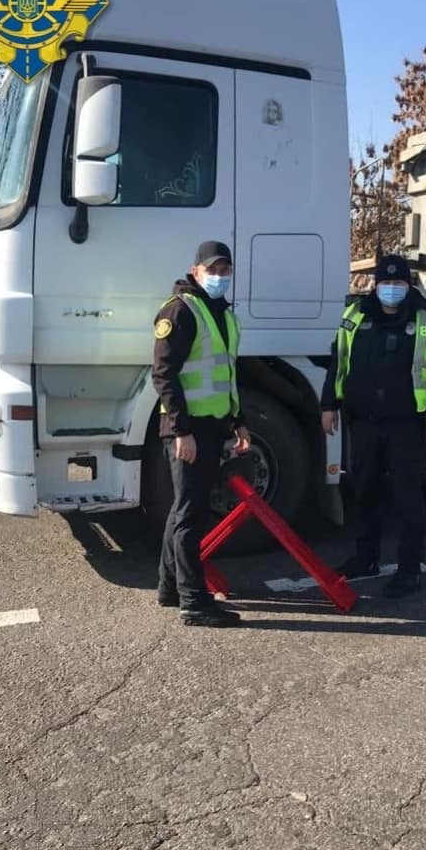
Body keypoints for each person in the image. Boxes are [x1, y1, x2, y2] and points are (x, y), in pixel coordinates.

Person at [321, 254, 426, 597]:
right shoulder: (356, 314)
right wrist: (329, 405)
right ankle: (366, 557)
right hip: (364, 422)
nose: (391, 289)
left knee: (407, 498)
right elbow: (337, 360)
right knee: (364, 491)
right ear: (375, 285)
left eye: (398, 283)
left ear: (408, 285)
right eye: (386, 283)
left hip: (407, 425)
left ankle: (409, 570)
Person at [151, 240, 251, 627]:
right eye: (213, 270)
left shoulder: (223, 315)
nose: (220, 277)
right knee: (191, 515)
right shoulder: (180, 311)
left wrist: (238, 421)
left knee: (183, 510)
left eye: (226, 270)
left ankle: (169, 588)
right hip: (187, 430)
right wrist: (181, 431)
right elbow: (164, 374)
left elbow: (227, 376)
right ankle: (195, 603)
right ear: (196, 272)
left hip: (211, 427)